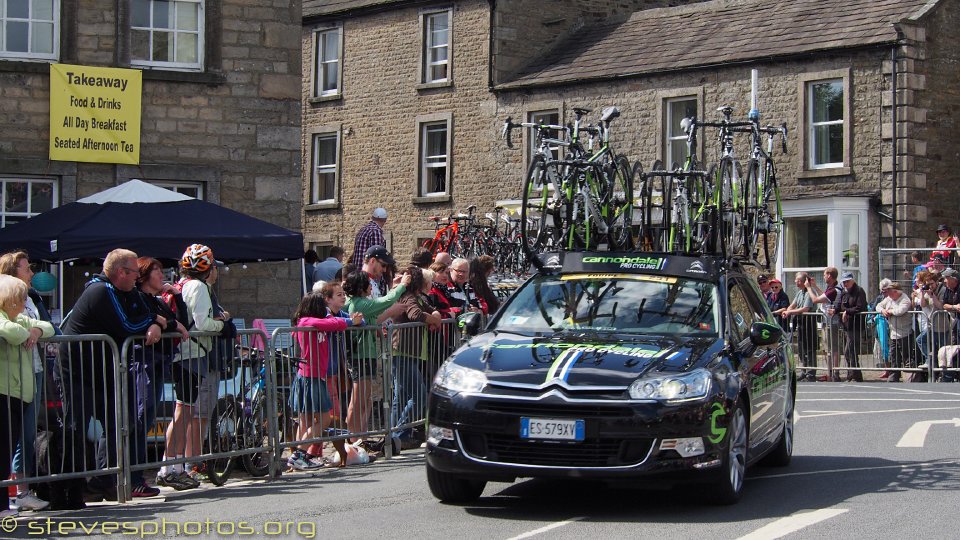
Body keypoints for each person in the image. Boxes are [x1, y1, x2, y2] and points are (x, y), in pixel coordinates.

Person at [60, 249, 168, 500]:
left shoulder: (126, 291)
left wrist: (157, 321)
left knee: (119, 422)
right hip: (78, 370)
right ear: (121, 272)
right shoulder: (101, 290)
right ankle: (68, 487)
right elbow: (126, 325)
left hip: (103, 369)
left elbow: (152, 316)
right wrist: (154, 319)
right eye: (133, 273)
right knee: (75, 427)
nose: (136, 278)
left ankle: (104, 481)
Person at [157, 244, 223, 489]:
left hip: (181, 352)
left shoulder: (182, 284)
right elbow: (202, 323)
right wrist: (222, 324)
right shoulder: (199, 287)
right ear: (208, 269)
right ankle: (171, 466)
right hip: (191, 354)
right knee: (183, 411)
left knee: (183, 410)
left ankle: (171, 464)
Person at [0, 251, 55, 510]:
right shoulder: (6, 310)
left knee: (25, 435)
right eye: (26, 268)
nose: (32, 273)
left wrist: (35, 328)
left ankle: (22, 492)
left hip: (26, 381)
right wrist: (26, 330)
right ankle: (13, 494)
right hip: (6, 386)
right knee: (8, 442)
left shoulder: (26, 303)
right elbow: (11, 332)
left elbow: (49, 326)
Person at [288, 292, 360, 470]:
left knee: (309, 420)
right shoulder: (306, 321)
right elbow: (332, 323)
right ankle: (299, 455)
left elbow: (333, 322)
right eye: (322, 306)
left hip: (314, 376)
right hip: (309, 377)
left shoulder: (319, 321)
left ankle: (300, 455)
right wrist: (350, 321)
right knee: (323, 419)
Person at [343, 270, 410, 444]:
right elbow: (386, 301)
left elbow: (378, 315)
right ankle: (352, 440)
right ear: (362, 287)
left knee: (364, 399)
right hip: (362, 355)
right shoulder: (360, 304)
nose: (370, 287)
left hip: (366, 355)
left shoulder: (358, 302)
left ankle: (360, 438)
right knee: (357, 400)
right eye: (368, 284)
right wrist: (402, 285)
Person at [390, 267, 441, 448]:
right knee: (419, 396)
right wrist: (433, 318)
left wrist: (434, 315)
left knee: (401, 397)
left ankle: (393, 436)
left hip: (410, 353)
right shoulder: (409, 297)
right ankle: (399, 434)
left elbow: (433, 311)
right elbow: (416, 315)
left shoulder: (417, 297)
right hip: (402, 351)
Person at [776, 273, 818, 381]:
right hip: (800, 323)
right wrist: (787, 310)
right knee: (801, 348)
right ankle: (804, 370)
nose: (795, 281)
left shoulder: (810, 292)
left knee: (809, 348)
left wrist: (789, 312)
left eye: (798, 280)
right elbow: (793, 304)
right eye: (796, 279)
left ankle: (811, 373)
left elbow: (805, 309)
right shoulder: (799, 293)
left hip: (809, 322)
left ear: (805, 282)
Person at [807, 267, 843, 381]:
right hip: (826, 322)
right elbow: (824, 296)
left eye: (824, 274)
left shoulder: (834, 290)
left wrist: (808, 288)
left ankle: (834, 372)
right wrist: (814, 286)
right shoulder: (831, 289)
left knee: (833, 348)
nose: (823, 276)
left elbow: (816, 300)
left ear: (829, 275)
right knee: (827, 348)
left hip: (831, 322)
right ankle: (830, 372)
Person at [876, 279, 914, 383]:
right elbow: (878, 306)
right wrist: (883, 310)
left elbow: (900, 311)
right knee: (894, 356)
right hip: (893, 333)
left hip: (904, 333)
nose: (887, 293)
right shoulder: (889, 299)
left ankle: (909, 377)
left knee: (907, 356)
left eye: (889, 291)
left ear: (896, 291)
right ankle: (894, 376)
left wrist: (890, 311)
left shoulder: (905, 299)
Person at [837, 272, 867, 382]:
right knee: (849, 352)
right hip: (847, 326)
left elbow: (860, 307)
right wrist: (835, 311)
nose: (845, 283)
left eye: (847, 281)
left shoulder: (859, 291)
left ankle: (854, 375)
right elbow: (840, 305)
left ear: (852, 280)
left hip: (856, 326)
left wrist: (847, 312)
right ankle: (854, 375)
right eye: (844, 282)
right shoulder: (844, 292)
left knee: (850, 351)